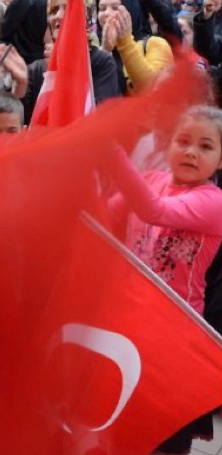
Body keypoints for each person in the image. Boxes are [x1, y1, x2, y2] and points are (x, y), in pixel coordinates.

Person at [106, 105, 222, 454]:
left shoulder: (214, 202)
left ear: (221, 160)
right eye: (182, 141)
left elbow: (153, 210)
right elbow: (104, 214)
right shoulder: (152, 180)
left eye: (205, 146)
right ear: (167, 145)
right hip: (128, 320)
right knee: (119, 416)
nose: (190, 151)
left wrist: (112, 154)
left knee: (162, 433)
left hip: (174, 331)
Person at [22, 0, 120, 125]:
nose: (59, 16)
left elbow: (100, 118)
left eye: (69, 9)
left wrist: (65, 72)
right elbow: (23, 123)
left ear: (87, 19)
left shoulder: (100, 62)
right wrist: (18, 86)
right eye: (54, 10)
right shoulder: (36, 68)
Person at [95, 0, 174, 95]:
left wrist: (125, 42)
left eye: (115, 8)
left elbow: (151, 88)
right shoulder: (95, 50)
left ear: (131, 10)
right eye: (102, 9)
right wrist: (105, 51)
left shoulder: (156, 44)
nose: (107, 13)